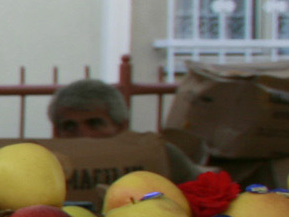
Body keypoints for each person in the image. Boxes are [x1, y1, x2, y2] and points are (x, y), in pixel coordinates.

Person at [48, 77, 202, 182]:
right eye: (69, 126)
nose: (83, 134)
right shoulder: (45, 163)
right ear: (57, 133)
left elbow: (203, 194)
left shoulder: (160, 154)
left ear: (121, 126)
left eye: (94, 123)